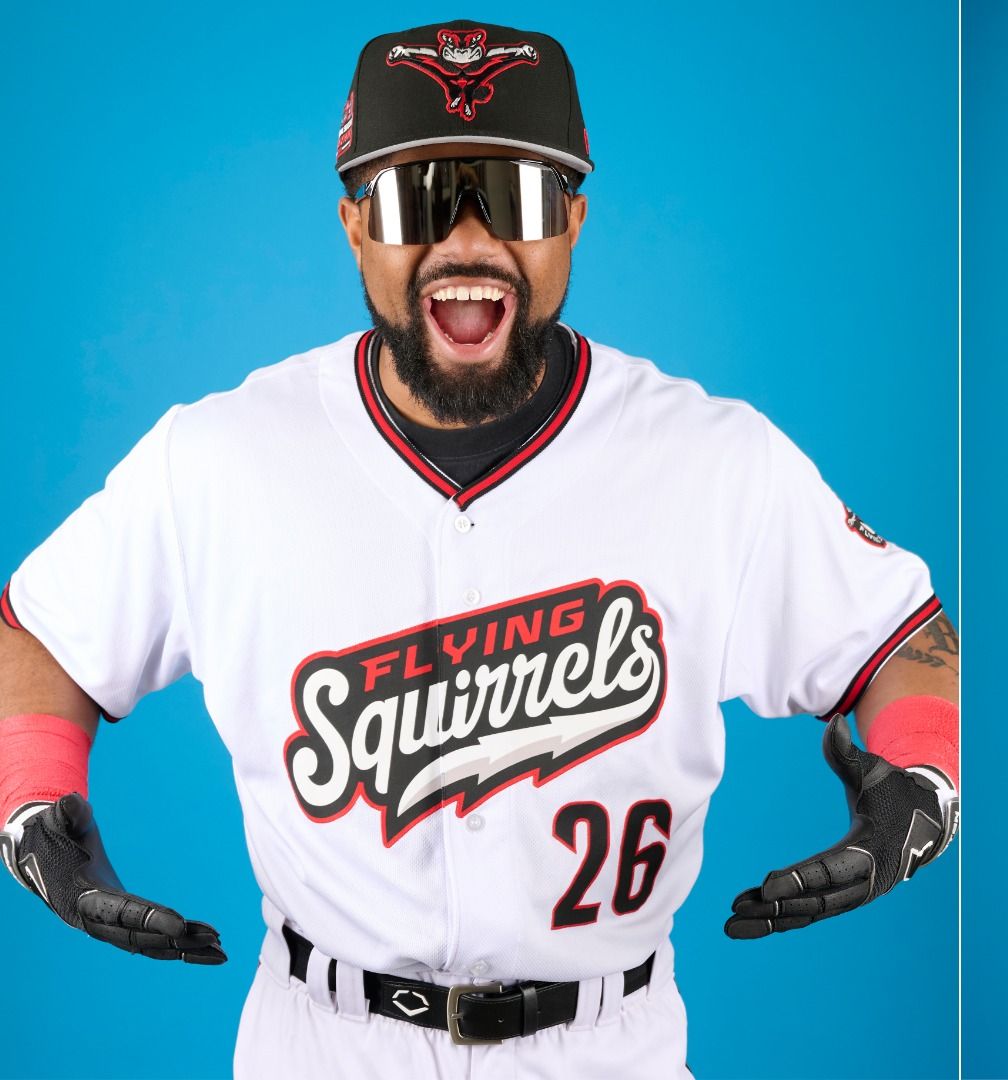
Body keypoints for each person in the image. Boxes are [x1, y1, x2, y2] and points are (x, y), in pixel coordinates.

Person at [0, 21, 957, 1078]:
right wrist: (33, 794)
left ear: (575, 222)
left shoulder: (716, 460)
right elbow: (39, 633)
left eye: (519, 196)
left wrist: (922, 778)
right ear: (354, 225)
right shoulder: (219, 458)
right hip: (321, 1045)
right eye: (418, 198)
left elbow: (901, 639)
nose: (468, 239)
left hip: (609, 1049)